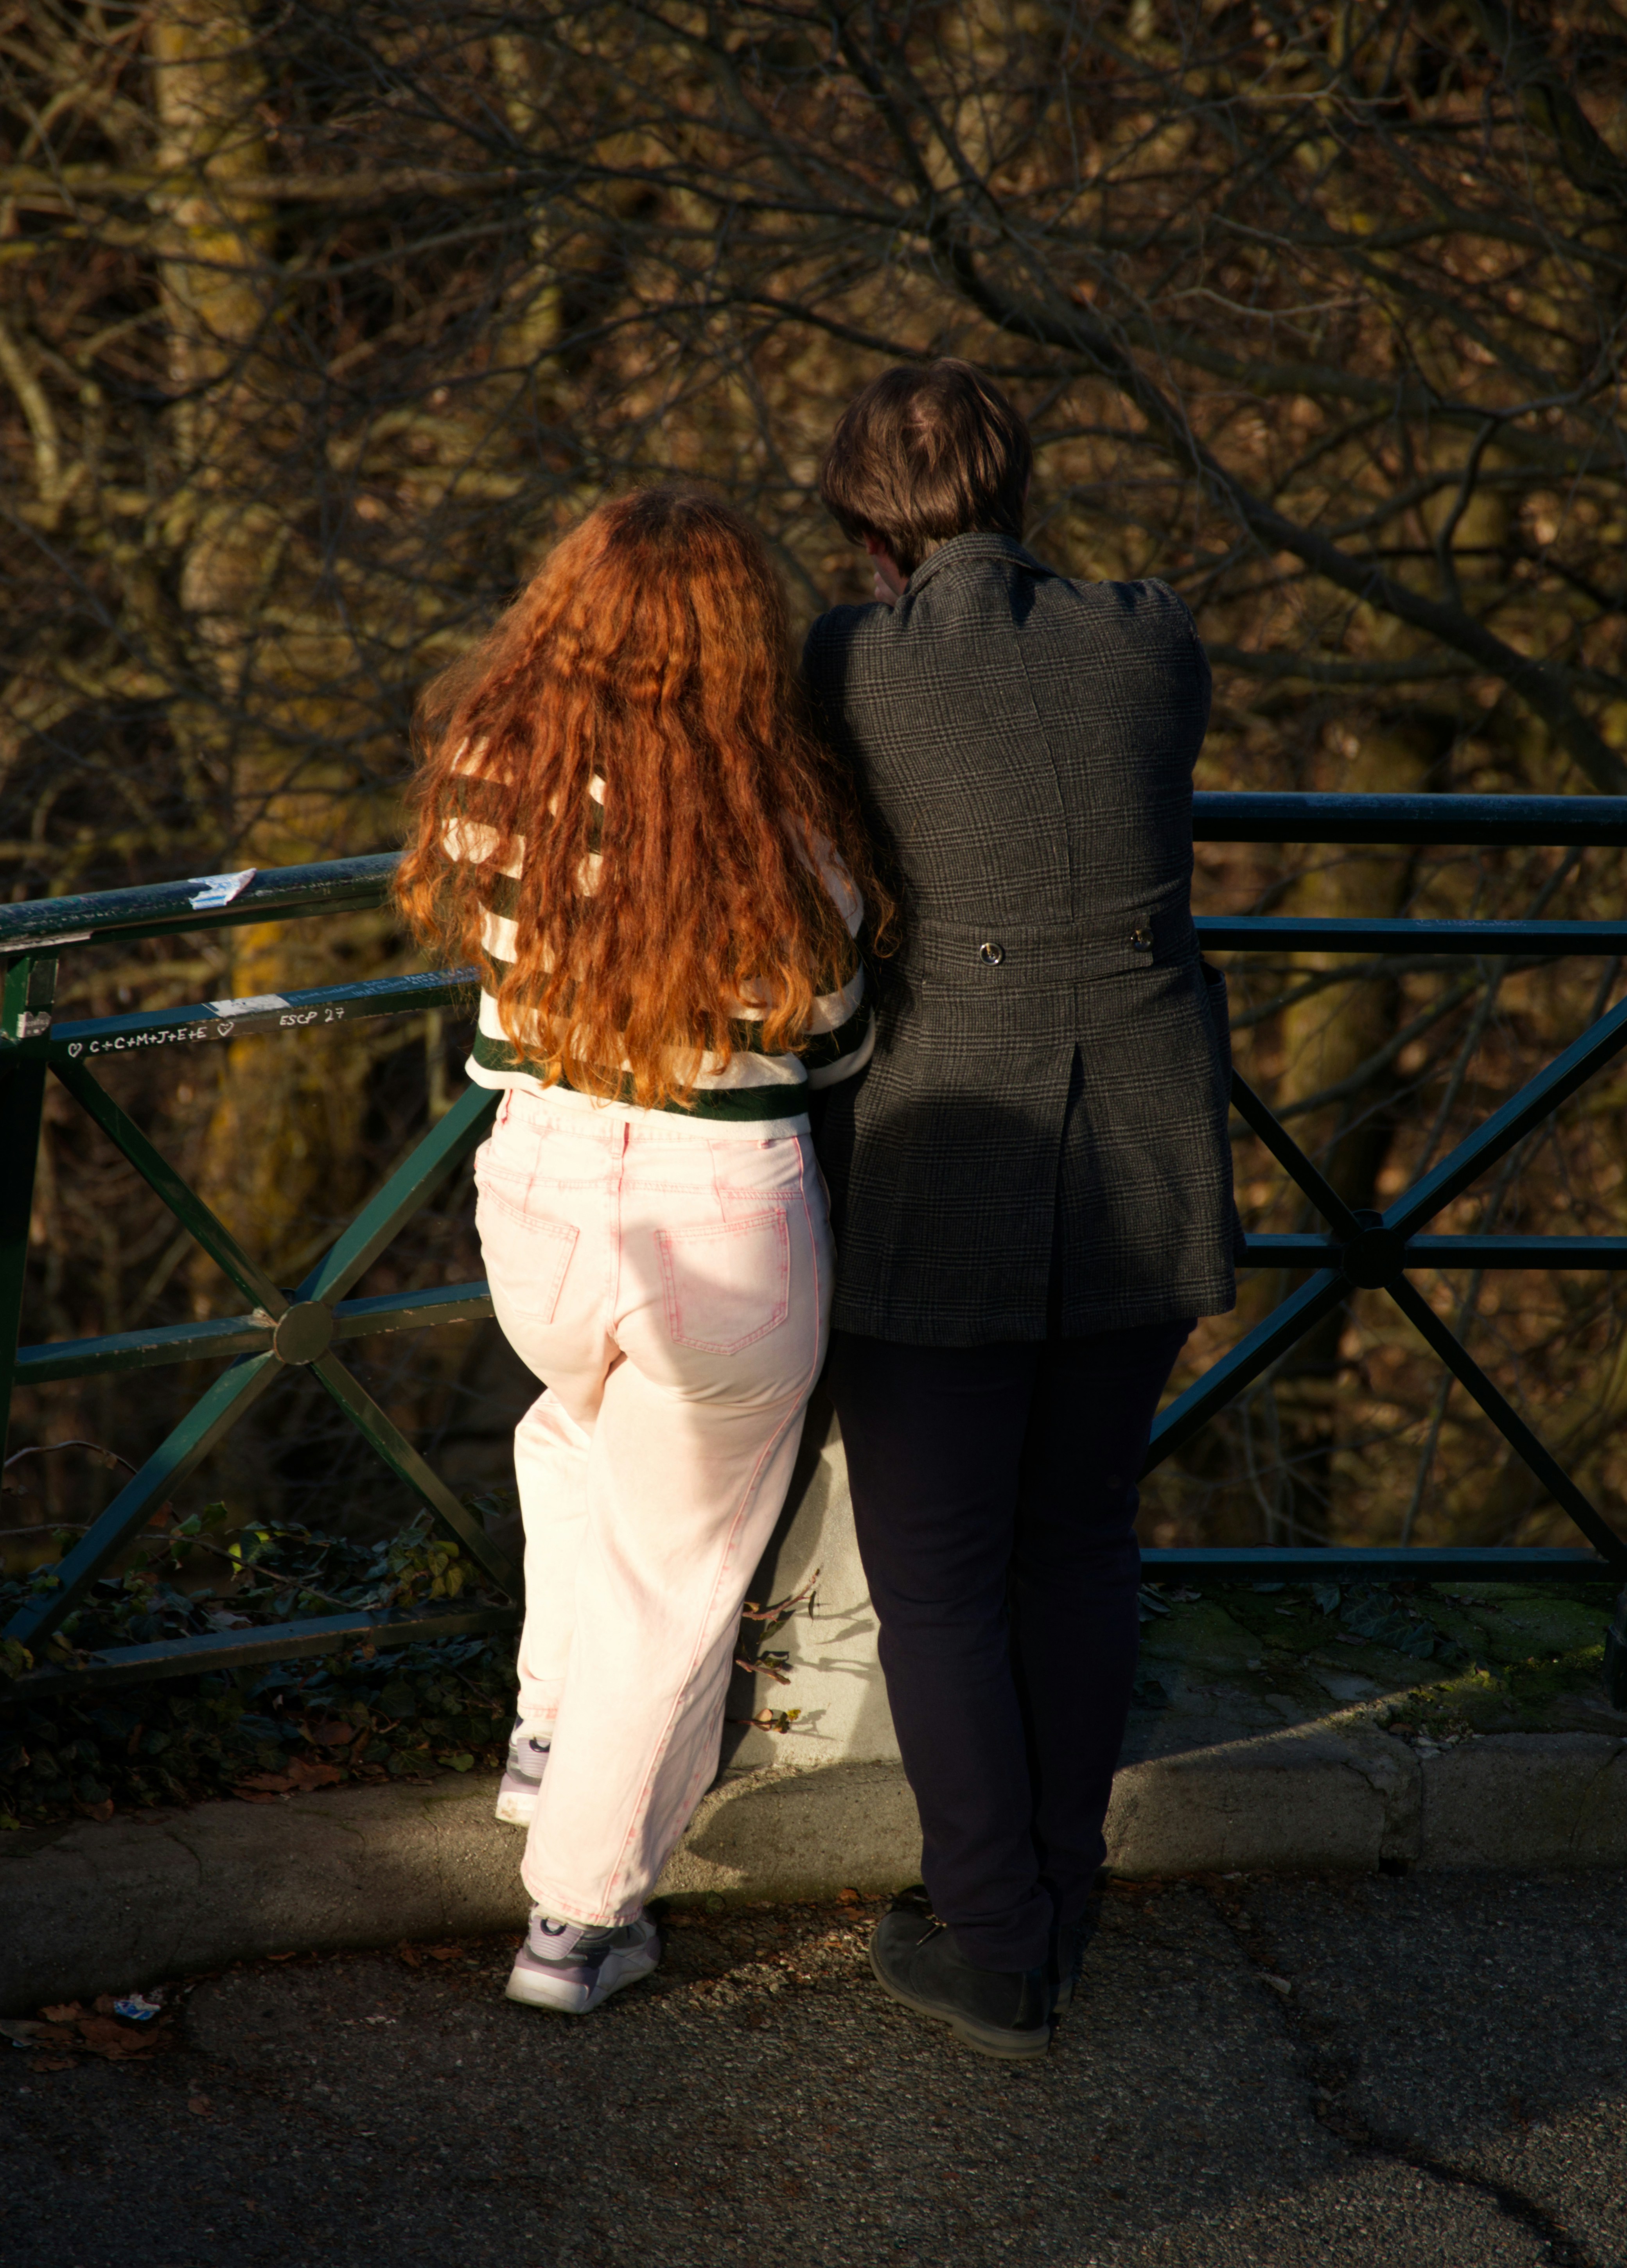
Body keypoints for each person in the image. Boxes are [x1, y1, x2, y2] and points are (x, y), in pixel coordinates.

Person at [395, 487, 881, 2017]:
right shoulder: (787, 814)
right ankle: (579, 1918)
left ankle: (548, 1728)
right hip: (722, 1207)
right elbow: (832, 1027)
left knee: (570, 1427)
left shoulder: (490, 774)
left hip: (534, 1186)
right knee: (680, 1566)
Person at [805, 360, 1241, 2059]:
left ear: (860, 528)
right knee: (1075, 1539)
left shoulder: (843, 661)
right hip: (1142, 1137)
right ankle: (1056, 1895)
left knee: (936, 1575)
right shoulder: (1147, 631)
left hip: (945, 1148)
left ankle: (995, 1939)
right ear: (1021, 489)